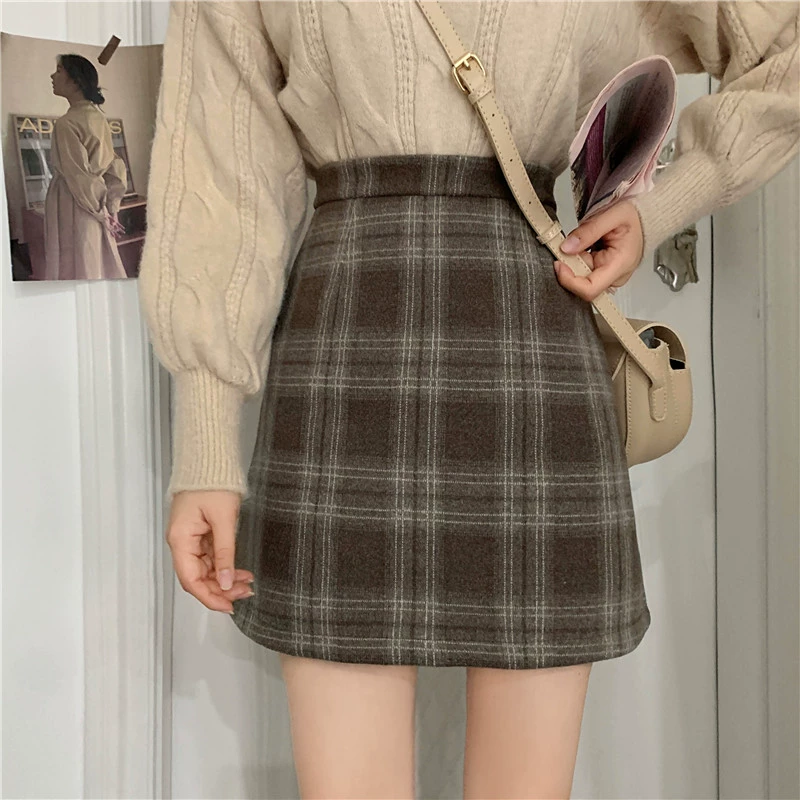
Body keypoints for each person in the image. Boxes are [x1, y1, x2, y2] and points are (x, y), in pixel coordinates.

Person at [137, 2, 799, 797]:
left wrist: (661, 204)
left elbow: (785, 52)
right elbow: (221, 171)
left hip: (532, 343)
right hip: (345, 353)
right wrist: (206, 442)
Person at [45, 53, 128, 281]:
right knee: (95, 260)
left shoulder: (66, 124)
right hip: (94, 201)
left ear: (75, 80)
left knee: (74, 261)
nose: (52, 76)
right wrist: (110, 207)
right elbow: (114, 166)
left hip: (74, 201)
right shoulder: (98, 118)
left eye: (59, 71)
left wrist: (102, 213)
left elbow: (78, 176)